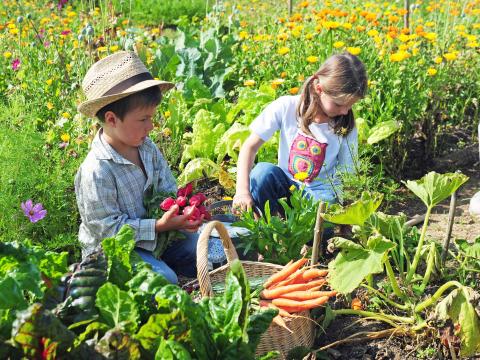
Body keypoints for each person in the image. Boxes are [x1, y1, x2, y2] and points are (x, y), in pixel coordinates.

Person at [75, 51, 203, 284]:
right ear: (112, 119)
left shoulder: (146, 147)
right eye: (144, 119)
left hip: (159, 234)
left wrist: (181, 211)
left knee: (207, 248)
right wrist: (158, 225)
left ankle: (172, 264)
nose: (151, 126)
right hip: (116, 252)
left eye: (152, 118)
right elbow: (108, 231)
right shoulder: (96, 170)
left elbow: (167, 186)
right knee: (164, 282)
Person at [232, 52, 367, 220]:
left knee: (323, 208)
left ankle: (308, 238)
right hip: (286, 187)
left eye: (351, 105)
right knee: (262, 173)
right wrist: (242, 192)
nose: (345, 111)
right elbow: (249, 147)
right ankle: (267, 229)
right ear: (319, 89)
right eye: (340, 104)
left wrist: (349, 217)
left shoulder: (345, 125)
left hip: (319, 197)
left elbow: (349, 174)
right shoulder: (286, 107)